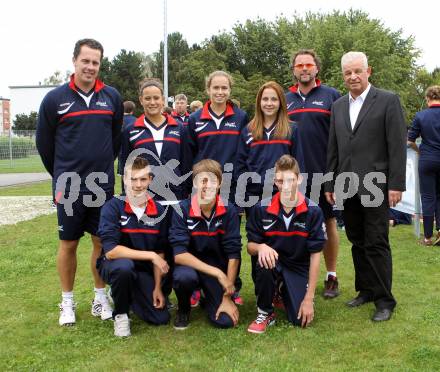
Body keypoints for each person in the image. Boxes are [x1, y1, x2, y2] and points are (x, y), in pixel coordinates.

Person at [36, 38, 123, 326]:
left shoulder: (111, 97)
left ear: (100, 65)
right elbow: (45, 145)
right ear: (74, 61)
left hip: (102, 187)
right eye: (85, 61)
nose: (90, 67)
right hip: (69, 186)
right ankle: (67, 302)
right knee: (69, 243)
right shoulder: (54, 100)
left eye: (95, 62)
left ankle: (100, 298)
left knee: (101, 242)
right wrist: (61, 175)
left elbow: (113, 141)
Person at [325, 51, 407, 322]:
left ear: (368, 71)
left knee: (376, 242)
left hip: (376, 185)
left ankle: (385, 300)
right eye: (348, 73)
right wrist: (329, 182)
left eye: (357, 71)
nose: (353, 76)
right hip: (346, 185)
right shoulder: (337, 106)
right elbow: (333, 148)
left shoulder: (387, 100)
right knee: (357, 241)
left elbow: (397, 146)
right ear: (343, 75)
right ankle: (366, 290)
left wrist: (396, 185)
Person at [120, 78, 192, 307]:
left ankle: (178, 294)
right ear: (141, 100)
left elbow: (187, 164)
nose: (153, 102)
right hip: (146, 200)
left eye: (157, 98)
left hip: (176, 199)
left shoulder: (180, 128)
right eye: (148, 98)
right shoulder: (131, 130)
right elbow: (125, 166)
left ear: (164, 100)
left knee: (175, 248)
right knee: (151, 247)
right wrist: (130, 199)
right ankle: (153, 292)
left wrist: (188, 196)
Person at [187, 70, 249, 305]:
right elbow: (189, 156)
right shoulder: (195, 119)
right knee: (197, 237)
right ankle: (195, 286)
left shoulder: (241, 117)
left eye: (224, 88)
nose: (220, 92)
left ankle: (234, 286)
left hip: (231, 188)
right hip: (202, 188)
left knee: (230, 240)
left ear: (230, 90)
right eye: (216, 88)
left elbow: (244, 153)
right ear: (208, 89)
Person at [285, 49, 342, 299]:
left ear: (317, 68)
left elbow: (342, 137)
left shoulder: (332, 96)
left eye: (309, 64)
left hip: (324, 173)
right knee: (294, 226)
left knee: (328, 223)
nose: (304, 68)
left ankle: (331, 276)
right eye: (300, 65)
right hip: (293, 176)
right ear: (294, 70)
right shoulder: (284, 99)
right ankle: (298, 275)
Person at [246, 155, 325, 333]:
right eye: (281, 181)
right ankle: (265, 312)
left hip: (298, 267)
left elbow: (315, 255)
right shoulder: (261, 209)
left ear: (300, 179)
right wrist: (260, 247)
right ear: (275, 182)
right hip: (273, 263)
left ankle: (281, 290)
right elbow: (250, 247)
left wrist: (308, 298)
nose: (286, 186)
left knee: (299, 321)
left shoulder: (313, 211)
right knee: (263, 258)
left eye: (291, 180)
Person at [235, 81, 300, 287]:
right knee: (259, 242)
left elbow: (298, 164)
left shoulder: (292, 129)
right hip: (255, 198)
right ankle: (262, 289)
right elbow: (239, 165)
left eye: (273, 99)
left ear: (281, 102)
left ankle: (282, 286)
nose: (269, 103)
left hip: (284, 195)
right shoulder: (248, 130)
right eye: (265, 99)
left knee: (283, 240)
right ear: (259, 102)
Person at [97, 157, 170, 337]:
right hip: (115, 265)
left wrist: (157, 287)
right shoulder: (112, 207)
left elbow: (160, 253)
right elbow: (112, 251)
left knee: (160, 318)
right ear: (124, 180)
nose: (138, 185)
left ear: (150, 180)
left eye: (143, 179)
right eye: (133, 179)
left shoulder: (159, 211)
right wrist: (151, 255)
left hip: (143, 270)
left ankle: (125, 294)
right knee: (124, 268)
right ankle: (121, 315)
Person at [169, 159, 241, 330]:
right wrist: (217, 273)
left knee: (225, 322)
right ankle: (184, 309)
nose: (207, 185)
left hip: (217, 270)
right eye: (202, 180)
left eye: (212, 180)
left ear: (220, 183)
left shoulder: (229, 210)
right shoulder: (182, 209)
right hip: (191, 268)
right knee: (183, 278)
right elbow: (179, 255)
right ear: (194, 182)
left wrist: (227, 296)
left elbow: (234, 254)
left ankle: (207, 296)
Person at [407, 85, 440, 245]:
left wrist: (419, 150)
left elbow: (410, 141)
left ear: (428, 98)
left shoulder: (421, 116)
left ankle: (427, 237)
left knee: (428, 197)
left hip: (427, 159)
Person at [117, 101, 136, 176]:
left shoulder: (117, 120)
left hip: (120, 149)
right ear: (132, 110)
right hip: (133, 149)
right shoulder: (136, 121)